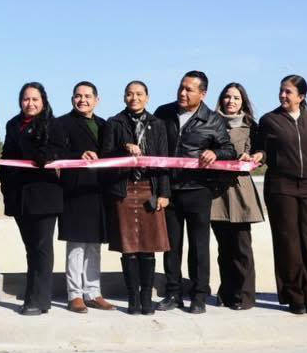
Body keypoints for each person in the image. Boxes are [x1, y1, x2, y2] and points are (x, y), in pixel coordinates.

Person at [154, 71, 236, 314]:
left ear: (203, 94)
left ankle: (199, 295)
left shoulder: (212, 119)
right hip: (169, 190)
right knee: (171, 247)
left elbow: (228, 149)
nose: (182, 93)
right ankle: (172, 293)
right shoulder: (163, 113)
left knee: (199, 246)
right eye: (181, 87)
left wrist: (216, 153)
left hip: (199, 190)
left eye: (189, 89)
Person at [97, 81, 171, 315]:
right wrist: (123, 149)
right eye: (130, 94)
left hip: (150, 187)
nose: (134, 98)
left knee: (149, 246)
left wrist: (164, 193)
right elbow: (105, 156)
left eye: (139, 94)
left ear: (147, 97)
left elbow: (163, 160)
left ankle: (146, 296)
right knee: (128, 248)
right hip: (124, 188)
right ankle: (132, 298)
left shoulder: (158, 124)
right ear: (124, 97)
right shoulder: (114, 123)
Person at [258, 75, 307, 315]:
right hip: (281, 186)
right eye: (281, 91)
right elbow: (261, 149)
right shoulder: (269, 120)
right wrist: (257, 156)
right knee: (288, 243)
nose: (283, 96)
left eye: (288, 92)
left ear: (301, 96)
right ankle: (294, 296)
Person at [0, 82, 67, 316]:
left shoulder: (53, 125)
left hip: (44, 196)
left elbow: (54, 152)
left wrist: (41, 154)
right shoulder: (12, 124)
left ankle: (38, 300)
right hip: (19, 196)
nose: (30, 104)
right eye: (26, 99)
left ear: (44, 101)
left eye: (35, 99)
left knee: (41, 248)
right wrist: (6, 189)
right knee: (31, 249)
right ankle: (34, 295)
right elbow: (7, 158)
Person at [210, 82, 266, 310]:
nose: (231, 101)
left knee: (242, 247)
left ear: (243, 101)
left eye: (236, 98)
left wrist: (254, 156)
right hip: (217, 194)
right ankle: (226, 292)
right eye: (227, 97)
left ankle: (244, 295)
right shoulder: (211, 123)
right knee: (224, 248)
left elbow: (261, 152)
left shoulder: (252, 126)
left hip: (241, 190)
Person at [59, 81, 112, 313]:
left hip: (99, 191)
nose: (83, 100)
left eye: (88, 96)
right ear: (72, 99)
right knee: (76, 245)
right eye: (78, 96)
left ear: (97, 100)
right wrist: (76, 155)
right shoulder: (62, 123)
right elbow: (56, 152)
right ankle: (74, 294)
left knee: (94, 245)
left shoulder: (105, 124)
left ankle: (93, 292)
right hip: (75, 191)